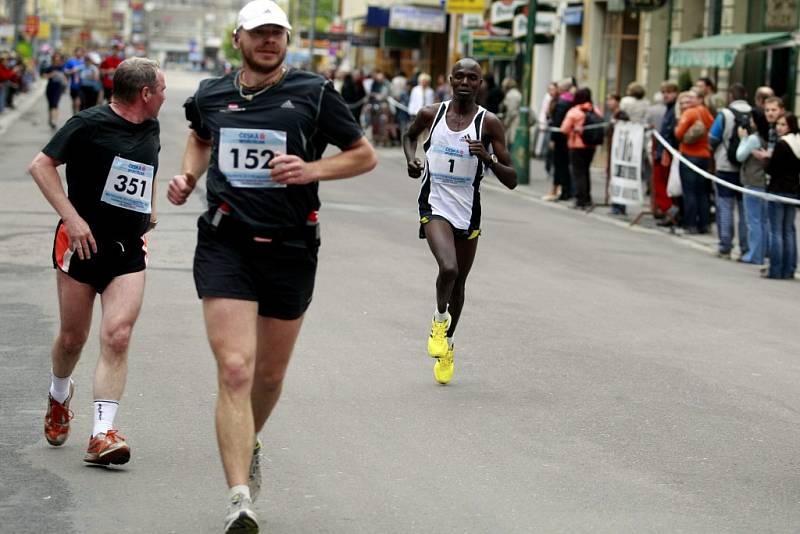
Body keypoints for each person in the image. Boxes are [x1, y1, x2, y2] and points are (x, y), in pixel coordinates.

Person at [165, 2, 377, 531]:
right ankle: (240, 496)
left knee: (270, 372)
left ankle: (246, 437)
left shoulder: (314, 92)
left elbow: (363, 154)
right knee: (235, 367)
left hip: (291, 245)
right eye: (259, 34)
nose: (268, 42)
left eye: (276, 34)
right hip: (226, 242)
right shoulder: (213, 93)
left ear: (287, 40)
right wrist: (189, 176)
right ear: (238, 38)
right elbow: (199, 136)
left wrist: (310, 168)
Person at [28, 58, 164, 468]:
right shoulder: (87, 124)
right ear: (144, 94)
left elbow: (146, 170)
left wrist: (150, 210)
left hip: (128, 250)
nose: (164, 98)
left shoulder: (152, 127)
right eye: (161, 91)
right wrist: (73, 218)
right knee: (73, 338)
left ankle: (102, 434)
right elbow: (41, 166)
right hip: (81, 247)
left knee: (118, 335)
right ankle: (58, 395)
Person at [403, 57, 517, 385]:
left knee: (460, 282)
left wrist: (489, 159)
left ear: (481, 84)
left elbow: (512, 180)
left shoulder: (489, 123)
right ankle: (439, 321)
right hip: (434, 203)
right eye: (460, 77)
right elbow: (410, 137)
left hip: (468, 209)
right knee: (448, 269)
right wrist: (412, 160)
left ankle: (448, 342)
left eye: (473, 78)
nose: (466, 82)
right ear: (450, 80)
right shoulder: (431, 114)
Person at [708, 83, 751, 259]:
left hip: (725, 166)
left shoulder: (724, 114)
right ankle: (745, 247)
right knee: (744, 210)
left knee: (725, 206)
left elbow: (712, 138)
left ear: (730, 97)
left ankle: (725, 245)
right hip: (746, 168)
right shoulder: (754, 113)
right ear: (746, 95)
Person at [764, 113, 800, 279]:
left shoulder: (782, 144)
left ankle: (776, 269)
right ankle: (789, 269)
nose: (779, 127)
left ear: (790, 126)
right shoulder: (798, 142)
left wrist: (767, 159)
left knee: (776, 231)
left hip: (778, 188)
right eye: (778, 124)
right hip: (793, 190)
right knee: (788, 231)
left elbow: (771, 168)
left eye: (783, 124)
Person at [674, 89, 714, 233]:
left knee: (689, 191)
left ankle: (689, 224)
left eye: (691, 97)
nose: (688, 101)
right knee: (702, 192)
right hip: (704, 155)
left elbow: (678, 133)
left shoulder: (689, 113)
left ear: (699, 98)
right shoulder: (705, 112)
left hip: (690, 155)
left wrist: (678, 127)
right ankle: (704, 224)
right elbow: (712, 128)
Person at [736, 108, 771, 265]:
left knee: (753, 221)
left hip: (752, 182)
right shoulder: (766, 137)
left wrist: (743, 138)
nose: (749, 123)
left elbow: (740, 155)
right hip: (762, 182)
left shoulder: (753, 139)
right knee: (762, 221)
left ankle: (754, 255)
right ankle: (760, 252)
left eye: (751, 120)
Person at [560, 87, 601, 210]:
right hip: (591, 146)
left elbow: (564, 129)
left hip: (577, 145)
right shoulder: (595, 110)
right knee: (586, 171)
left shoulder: (574, 112)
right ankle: (587, 198)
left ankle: (580, 200)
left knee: (578, 173)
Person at [548, 78, 575, 201]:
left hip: (560, 137)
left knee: (560, 164)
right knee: (566, 164)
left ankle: (564, 191)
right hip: (569, 136)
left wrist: (553, 139)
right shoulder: (572, 100)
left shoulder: (562, 102)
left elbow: (557, 123)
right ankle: (566, 190)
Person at [43, 52, 67, 129]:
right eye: (55, 59)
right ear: (53, 60)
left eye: (58, 59)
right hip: (50, 88)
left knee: (55, 104)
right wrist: (51, 75)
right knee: (50, 105)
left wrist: (65, 85)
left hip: (58, 88)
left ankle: (54, 121)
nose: (57, 61)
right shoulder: (50, 67)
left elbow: (65, 77)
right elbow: (44, 76)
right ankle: (51, 118)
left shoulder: (62, 68)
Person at [64, 47, 86, 115]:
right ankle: (74, 114)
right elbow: (65, 71)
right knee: (74, 102)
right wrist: (72, 71)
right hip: (74, 85)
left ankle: (79, 115)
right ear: (75, 52)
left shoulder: (85, 61)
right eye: (77, 52)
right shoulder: (71, 61)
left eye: (80, 52)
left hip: (83, 85)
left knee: (79, 102)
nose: (78, 53)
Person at [501, 77, 522, 146]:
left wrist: (506, 123)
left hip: (514, 122)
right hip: (515, 121)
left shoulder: (512, 95)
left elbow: (511, 112)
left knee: (512, 143)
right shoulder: (516, 93)